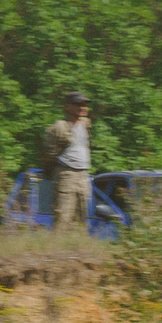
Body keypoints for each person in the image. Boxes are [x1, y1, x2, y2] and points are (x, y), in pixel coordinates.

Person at [41, 92, 93, 233]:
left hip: (83, 174)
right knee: (63, 216)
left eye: (85, 104)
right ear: (68, 106)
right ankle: (58, 249)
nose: (83, 107)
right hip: (66, 173)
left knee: (82, 216)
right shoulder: (60, 127)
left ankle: (78, 248)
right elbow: (47, 153)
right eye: (78, 104)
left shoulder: (86, 124)